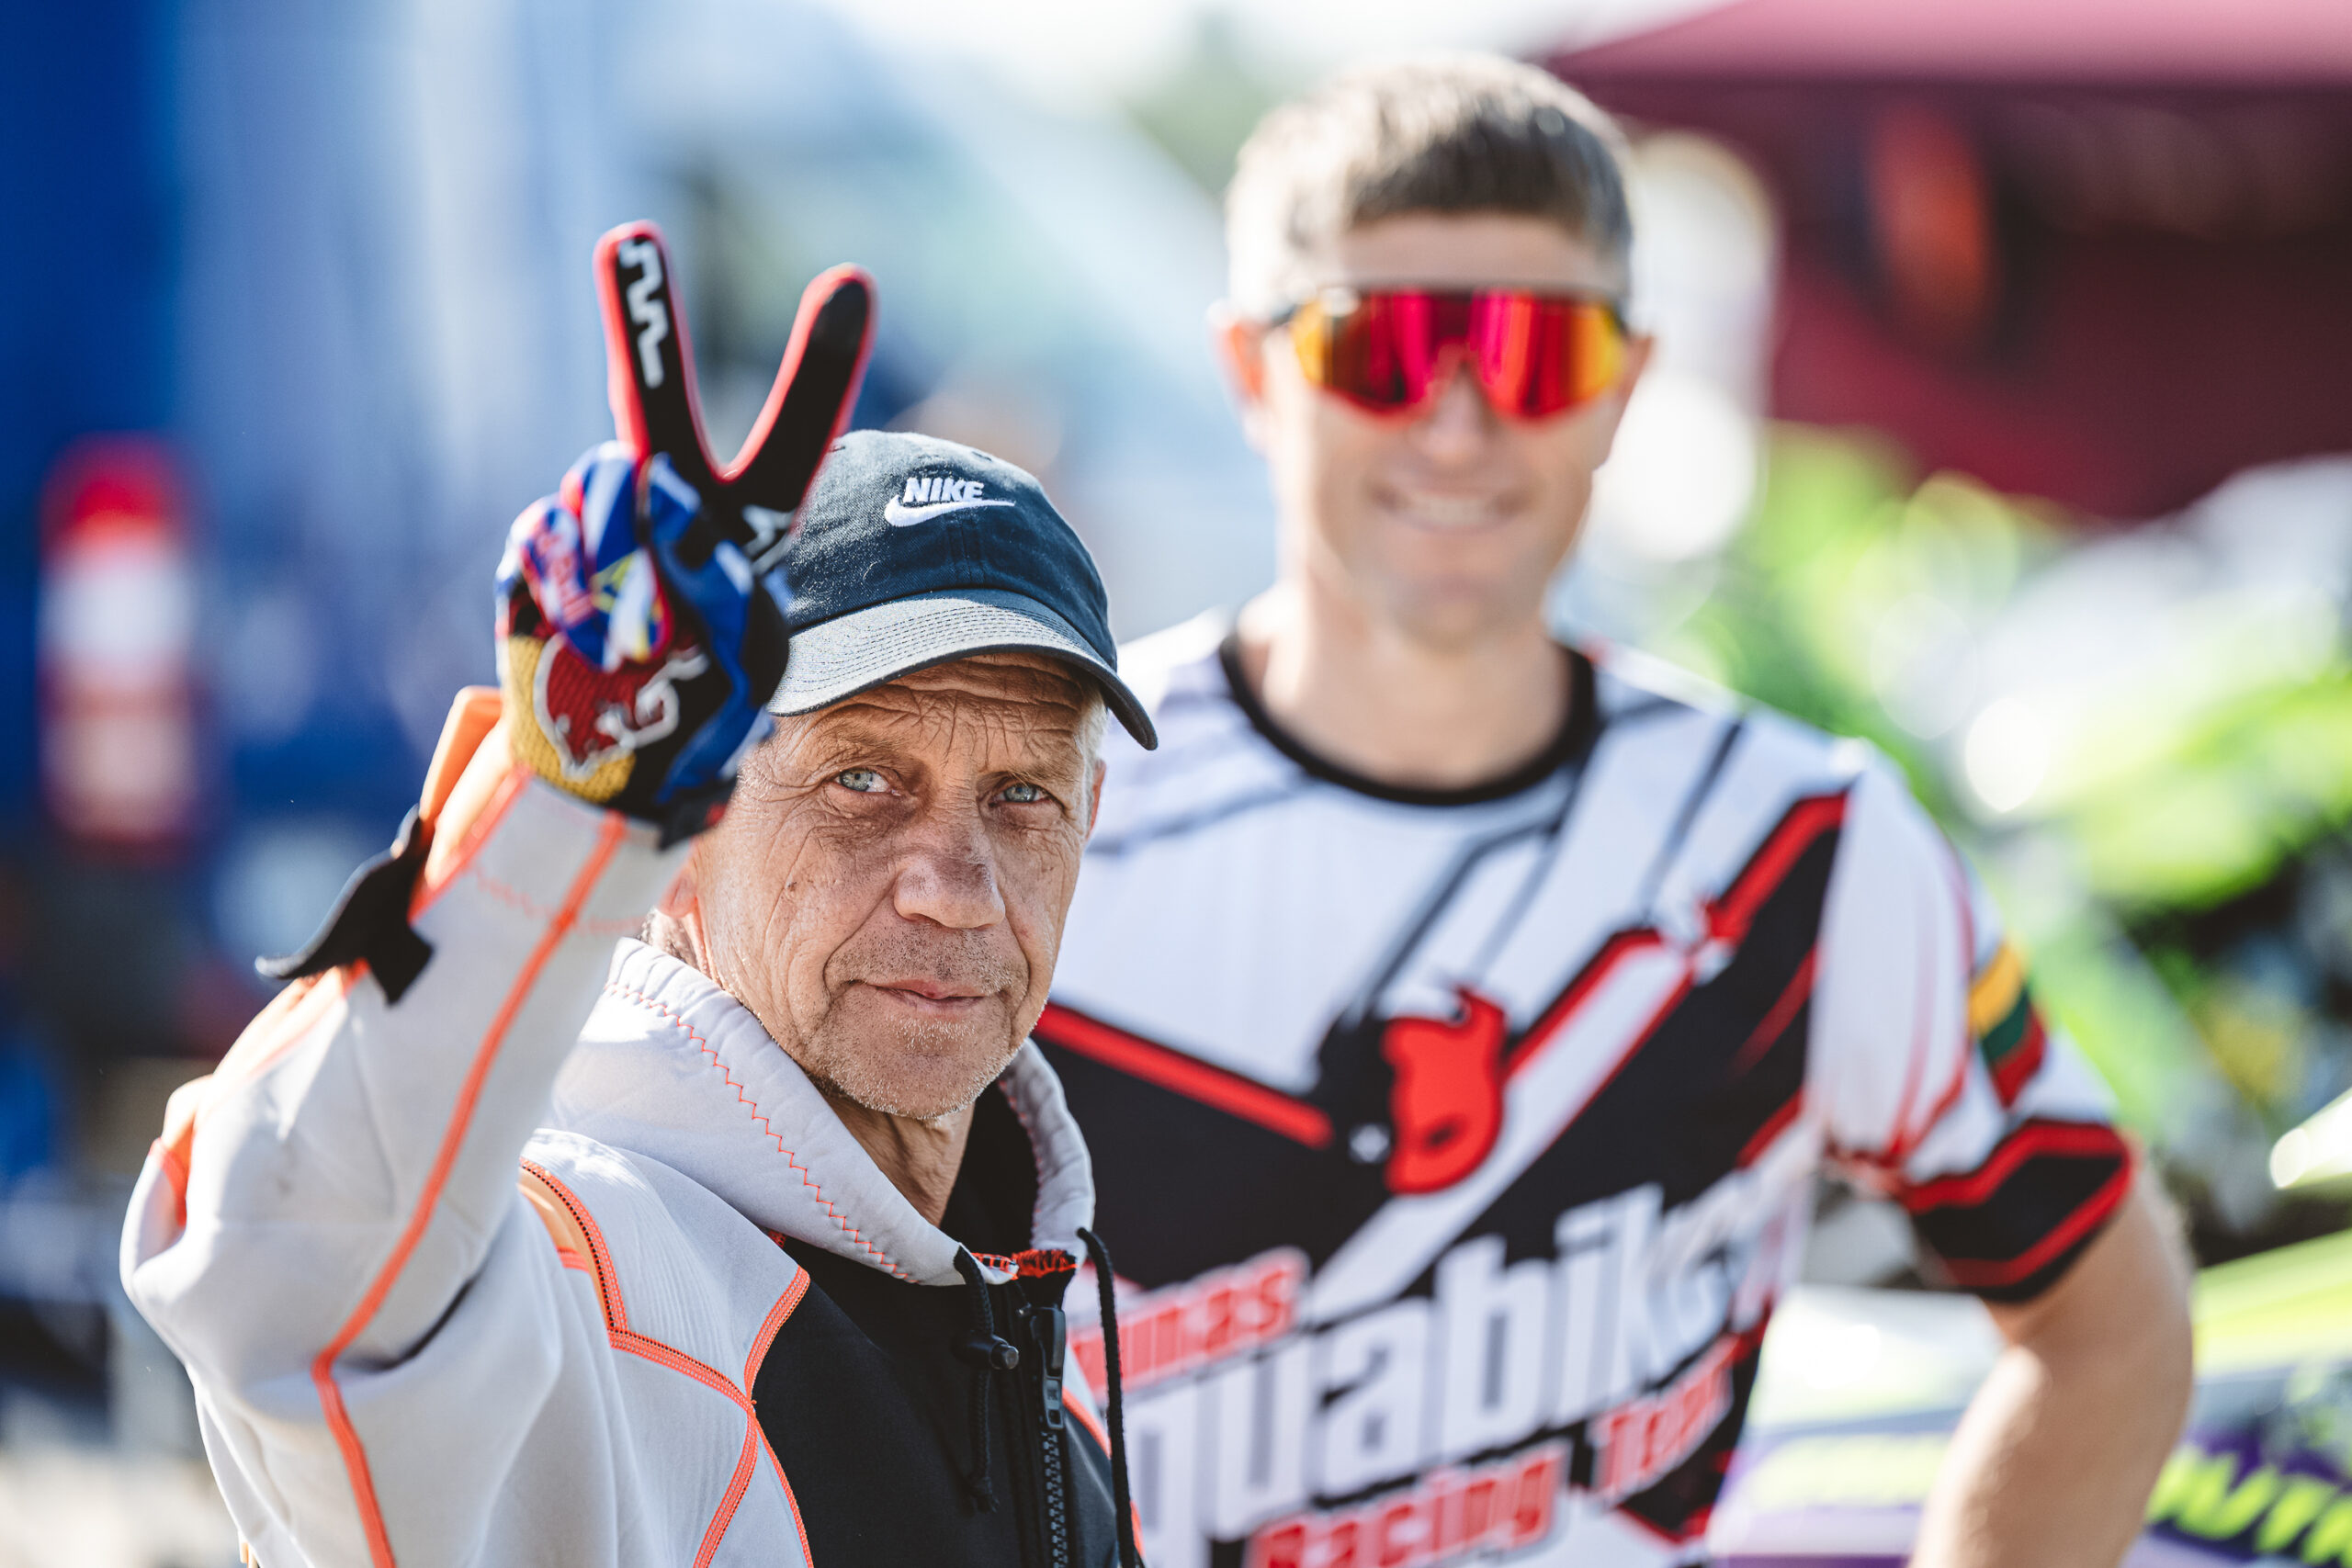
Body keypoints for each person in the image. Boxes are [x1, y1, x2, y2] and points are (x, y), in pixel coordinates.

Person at [1034, 54, 2194, 1568]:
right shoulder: (1041, 811)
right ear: (1255, 369)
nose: (1458, 425)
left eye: (1534, 350)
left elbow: (2112, 1322)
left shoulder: (1797, 847)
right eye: (1382, 346)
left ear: (1625, 383)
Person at [122, 418, 1157, 1566]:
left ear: (1089, 817)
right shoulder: (582, 1284)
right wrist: (555, 813)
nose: (955, 890)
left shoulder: (1026, 1337)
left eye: (1021, 795)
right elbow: (289, 1269)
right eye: (861, 778)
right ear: (685, 826)